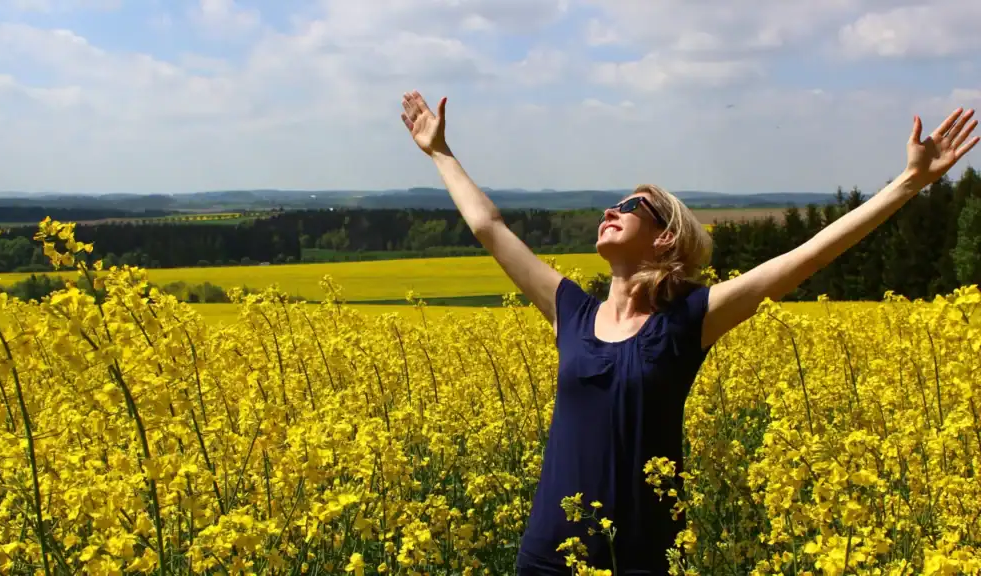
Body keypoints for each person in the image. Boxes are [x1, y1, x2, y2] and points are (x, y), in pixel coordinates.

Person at [399, 90, 978, 575]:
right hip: (551, 556)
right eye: (613, 202)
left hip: (644, 559)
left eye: (633, 205)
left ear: (665, 239)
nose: (612, 208)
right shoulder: (569, 311)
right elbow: (488, 225)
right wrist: (440, 152)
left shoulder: (688, 321)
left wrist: (908, 183)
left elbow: (803, 259)